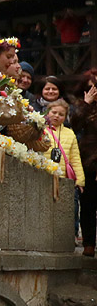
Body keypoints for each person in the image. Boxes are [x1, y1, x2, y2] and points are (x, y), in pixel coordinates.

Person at [45, 98, 85, 247]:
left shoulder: (70, 133)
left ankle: (71, 236)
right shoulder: (39, 129)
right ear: (47, 112)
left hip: (64, 177)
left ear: (66, 117)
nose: (56, 116)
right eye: (53, 112)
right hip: (44, 175)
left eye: (61, 114)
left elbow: (75, 158)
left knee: (70, 210)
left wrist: (80, 180)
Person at [74, 71, 97, 256]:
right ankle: (89, 243)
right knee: (87, 205)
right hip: (88, 160)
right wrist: (86, 103)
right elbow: (73, 125)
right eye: (90, 87)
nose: (94, 91)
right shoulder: (84, 106)